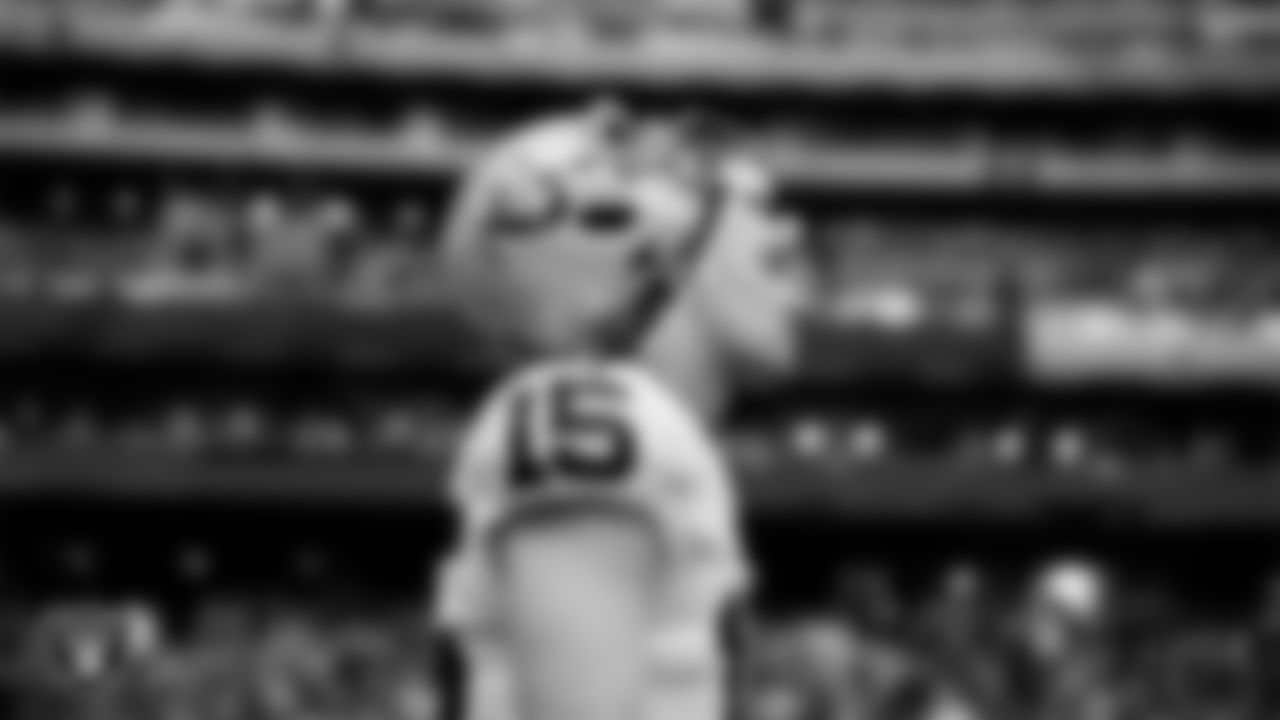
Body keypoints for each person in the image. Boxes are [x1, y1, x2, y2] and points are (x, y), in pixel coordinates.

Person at [432, 102, 814, 720]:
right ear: (630, 238)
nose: (789, 235)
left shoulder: (639, 428)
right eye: (760, 212)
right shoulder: (596, 414)